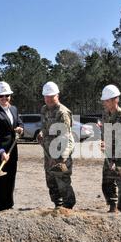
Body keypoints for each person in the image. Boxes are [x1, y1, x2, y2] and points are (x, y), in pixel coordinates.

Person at [0, 81, 23, 212]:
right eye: (1, 96)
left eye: (7, 95)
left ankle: (8, 207)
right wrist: (2, 151)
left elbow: (19, 122)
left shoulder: (14, 109)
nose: (4, 98)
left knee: (10, 180)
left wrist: (19, 128)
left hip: (12, 151)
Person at [37, 81, 76, 209]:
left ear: (57, 95)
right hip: (48, 153)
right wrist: (42, 135)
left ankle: (68, 207)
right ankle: (57, 206)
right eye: (46, 96)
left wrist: (57, 157)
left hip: (61, 154)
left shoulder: (63, 113)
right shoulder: (44, 110)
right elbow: (46, 128)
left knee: (62, 181)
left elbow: (64, 138)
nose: (48, 99)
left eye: (51, 96)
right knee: (51, 182)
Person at [100, 84, 121, 213]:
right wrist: (104, 143)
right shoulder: (105, 115)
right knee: (107, 181)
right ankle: (112, 206)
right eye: (104, 100)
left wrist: (114, 159)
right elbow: (105, 133)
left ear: (116, 100)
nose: (105, 103)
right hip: (110, 153)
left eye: (107, 100)